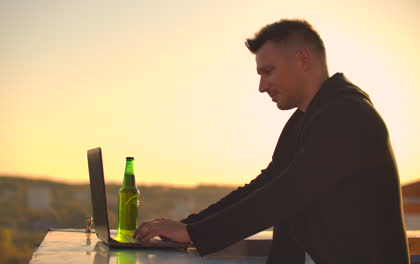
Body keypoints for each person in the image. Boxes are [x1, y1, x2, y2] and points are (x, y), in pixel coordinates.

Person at [133, 19, 410, 263]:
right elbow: (266, 184)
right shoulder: (306, 118)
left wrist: (193, 232)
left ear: (303, 59)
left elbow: (286, 193)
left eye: (268, 72)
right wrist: (188, 227)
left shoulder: (348, 114)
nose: (262, 86)